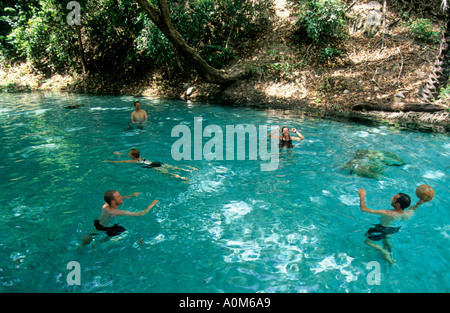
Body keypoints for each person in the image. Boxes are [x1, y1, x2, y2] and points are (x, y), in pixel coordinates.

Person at [356, 188, 429, 265]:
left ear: (397, 204)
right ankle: (392, 257)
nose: (392, 198)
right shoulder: (408, 214)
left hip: (381, 229)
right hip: (393, 229)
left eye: (394, 198)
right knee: (386, 240)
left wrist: (362, 196)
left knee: (367, 242)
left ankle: (385, 253)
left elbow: (364, 209)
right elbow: (414, 208)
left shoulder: (388, 213)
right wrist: (420, 202)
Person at [81, 190, 158, 246]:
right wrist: (153, 204)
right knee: (120, 230)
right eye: (119, 197)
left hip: (97, 223)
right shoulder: (116, 212)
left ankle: (83, 244)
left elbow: (114, 200)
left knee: (94, 231)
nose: (121, 197)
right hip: (107, 227)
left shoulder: (105, 205)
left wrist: (131, 195)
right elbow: (141, 214)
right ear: (113, 202)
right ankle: (99, 243)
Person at [104, 148, 198, 181]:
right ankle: (188, 170)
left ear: (132, 156)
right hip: (157, 162)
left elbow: (120, 162)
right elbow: (131, 154)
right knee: (174, 167)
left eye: (129, 154)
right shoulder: (140, 156)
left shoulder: (133, 161)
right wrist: (120, 154)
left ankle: (183, 178)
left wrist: (108, 161)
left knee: (168, 174)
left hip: (153, 166)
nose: (128, 154)